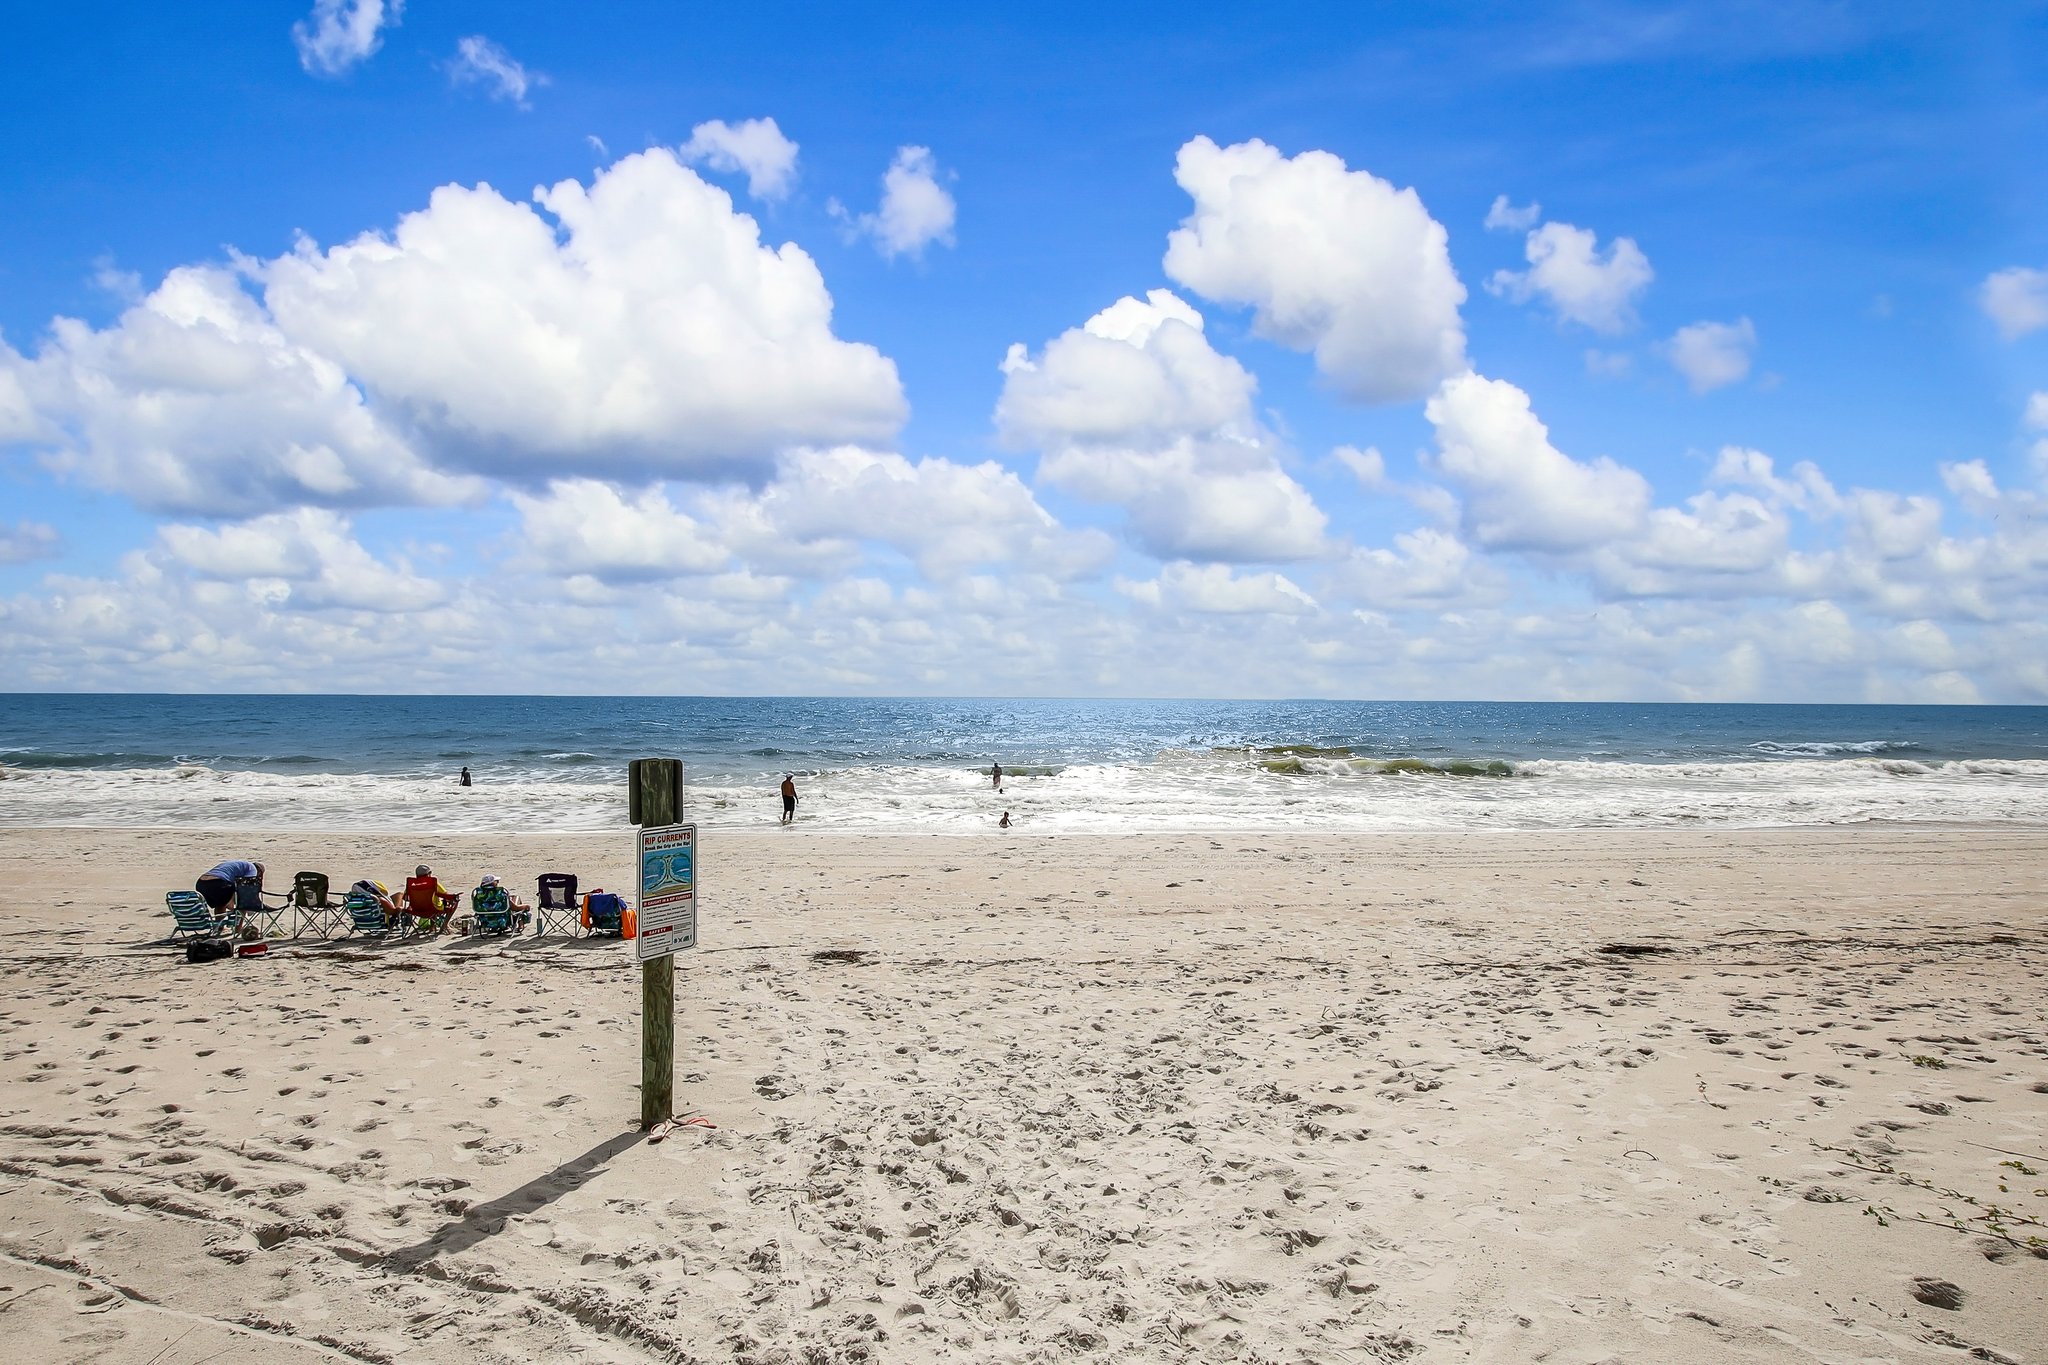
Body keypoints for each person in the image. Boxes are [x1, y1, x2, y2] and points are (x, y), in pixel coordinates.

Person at [195, 858, 264, 912]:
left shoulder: (239, 865)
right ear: (259, 871)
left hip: (201, 883)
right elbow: (248, 885)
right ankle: (238, 927)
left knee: (220, 904)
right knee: (243, 900)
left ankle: (220, 927)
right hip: (217, 882)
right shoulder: (252, 868)